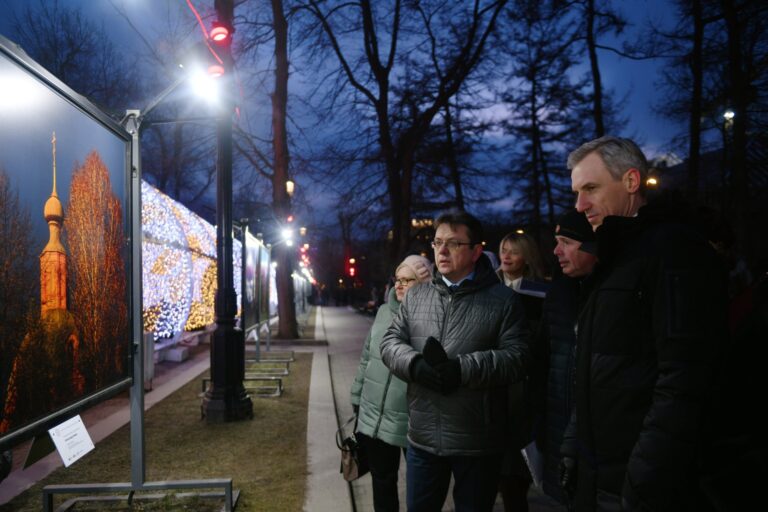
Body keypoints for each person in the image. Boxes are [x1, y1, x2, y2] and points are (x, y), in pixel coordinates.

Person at [560, 136, 728, 511]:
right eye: (576, 191)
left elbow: (684, 382)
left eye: (590, 188)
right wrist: (574, 449)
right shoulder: (616, 257)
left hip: (637, 487)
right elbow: (595, 366)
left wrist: (642, 482)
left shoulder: (674, 252)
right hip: (600, 477)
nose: (580, 205)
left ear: (632, 182)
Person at [380, 209, 530, 512]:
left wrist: (462, 369)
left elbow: (517, 358)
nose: (442, 251)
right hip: (422, 437)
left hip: (477, 441)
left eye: (453, 243)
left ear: (476, 251)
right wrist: (414, 364)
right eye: (437, 243)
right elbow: (389, 342)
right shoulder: (416, 297)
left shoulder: (504, 301)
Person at [350, 254, 432, 512]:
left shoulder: (432, 318)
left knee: (420, 488)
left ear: (423, 284)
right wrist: (357, 395)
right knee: (382, 480)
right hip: (375, 412)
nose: (399, 285)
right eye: (398, 279)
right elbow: (367, 356)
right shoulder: (384, 312)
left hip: (411, 415)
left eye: (408, 280)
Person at [533, 210, 597, 507]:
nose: (556, 251)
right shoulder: (558, 293)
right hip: (557, 429)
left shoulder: (611, 292)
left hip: (596, 439)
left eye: (567, 242)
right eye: (556, 241)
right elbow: (544, 363)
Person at [495, 232, 548, 512]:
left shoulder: (540, 293)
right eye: (503, 250)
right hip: (493, 389)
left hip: (524, 391)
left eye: (513, 252)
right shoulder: (490, 289)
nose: (506, 256)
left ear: (526, 257)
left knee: (515, 475)